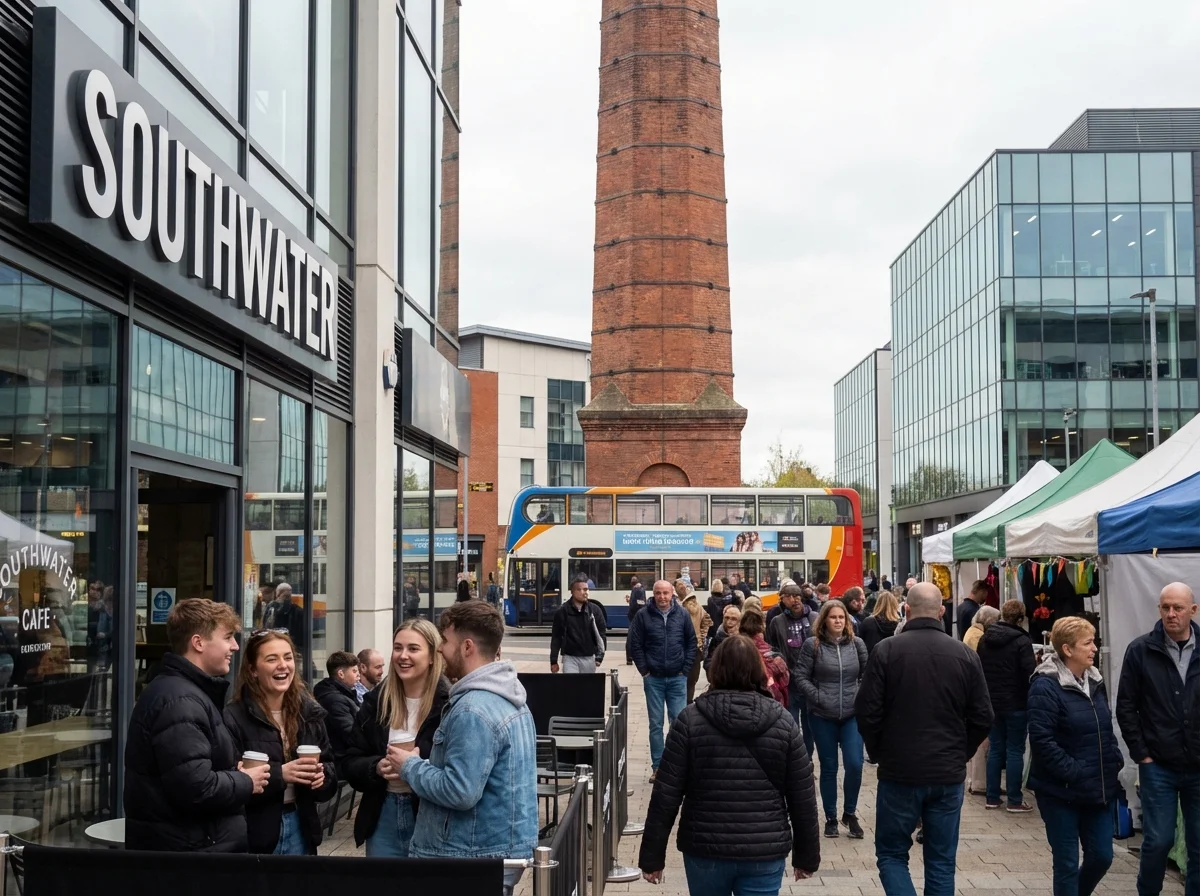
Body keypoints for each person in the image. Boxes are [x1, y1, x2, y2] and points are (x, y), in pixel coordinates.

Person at [638, 634, 821, 892]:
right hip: (763, 847)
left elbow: (666, 794)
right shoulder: (783, 721)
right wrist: (807, 857)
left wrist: (652, 857)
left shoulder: (690, 720)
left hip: (705, 847)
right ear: (759, 671)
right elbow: (802, 796)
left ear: (717, 669)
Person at [389, 601, 538, 895]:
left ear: (467, 646)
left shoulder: (473, 710)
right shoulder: (508, 696)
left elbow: (460, 791)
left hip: (468, 856)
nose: (441, 649)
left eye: (445, 641)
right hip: (491, 851)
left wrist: (409, 766)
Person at [855, 583, 994, 895]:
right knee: (941, 860)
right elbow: (983, 716)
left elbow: (866, 711)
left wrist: (879, 751)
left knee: (891, 854)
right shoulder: (964, 655)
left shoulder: (887, 651)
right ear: (942, 611)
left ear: (907, 609)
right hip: (946, 771)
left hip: (900, 770)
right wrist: (962, 751)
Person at [124, 599, 269, 851]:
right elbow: (196, 788)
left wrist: (232, 772)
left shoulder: (185, 693)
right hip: (189, 858)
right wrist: (245, 781)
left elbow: (191, 771)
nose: (235, 646)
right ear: (198, 643)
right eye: (228, 637)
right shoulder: (180, 701)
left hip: (192, 848)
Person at [1027, 616, 1122, 896]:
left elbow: (1104, 726)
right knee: (1067, 862)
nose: (1094, 648)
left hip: (1097, 788)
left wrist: (1113, 758)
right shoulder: (1045, 686)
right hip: (1061, 792)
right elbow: (1042, 741)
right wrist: (1075, 771)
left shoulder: (1094, 680)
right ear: (1067, 650)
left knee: (1102, 856)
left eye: (1094, 642)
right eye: (1088, 643)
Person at [340, 618, 450, 856]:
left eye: (413, 648)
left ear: (432, 655)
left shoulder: (449, 703)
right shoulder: (376, 701)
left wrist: (417, 768)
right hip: (383, 813)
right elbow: (349, 761)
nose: (403, 655)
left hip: (431, 815)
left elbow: (459, 771)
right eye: (398, 648)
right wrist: (376, 767)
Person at [1116, 581, 1200, 896]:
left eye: (1178, 608)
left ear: (1193, 610)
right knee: (1158, 840)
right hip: (1158, 764)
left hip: (1197, 763)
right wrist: (1142, 754)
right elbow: (1126, 705)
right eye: (1165, 607)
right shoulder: (1141, 649)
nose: (1170, 614)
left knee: (1199, 843)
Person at [224, 631, 337, 854]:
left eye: (288, 657)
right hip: (255, 834)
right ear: (253, 670)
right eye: (271, 659)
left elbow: (331, 769)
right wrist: (280, 775)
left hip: (301, 827)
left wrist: (322, 778)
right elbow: (228, 780)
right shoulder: (233, 716)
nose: (283, 665)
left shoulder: (309, 712)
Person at [795, 599, 868, 839]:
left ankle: (850, 813)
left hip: (851, 714)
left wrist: (859, 697)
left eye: (841, 617)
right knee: (829, 767)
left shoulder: (857, 644)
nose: (838, 621)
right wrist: (817, 696)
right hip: (822, 715)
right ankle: (831, 817)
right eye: (833, 617)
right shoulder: (812, 645)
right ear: (824, 620)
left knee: (855, 764)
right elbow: (801, 676)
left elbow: (867, 675)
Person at [628, 579, 696, 783]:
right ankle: (658, 767)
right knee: (655, 726)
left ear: (672, 593)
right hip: (654, 679)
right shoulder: (643, 616)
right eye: (658, 593)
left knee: (678, 724)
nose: (662, 597)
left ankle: (678, 767)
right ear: (653, 594)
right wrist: (644, 671)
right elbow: (635, 644)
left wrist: (685, 670)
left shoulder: (682, 614)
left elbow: (691, 642)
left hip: (677, 678)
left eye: (666, 593)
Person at [977, 600, 1035, 812]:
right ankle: (1014, 799)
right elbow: (1029, 671)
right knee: (1014, 750)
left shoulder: (985, 638)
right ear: (1020, 618)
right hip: (1016, 702)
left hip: (992, 701)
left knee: (996, 748)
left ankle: (992, 797)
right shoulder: (1022, 641)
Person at [767, 583, 817, 755]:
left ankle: (808, 758)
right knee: (791, 724)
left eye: (797, 596)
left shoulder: (814, 618)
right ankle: (795, 759)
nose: (794, 600)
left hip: (810, 681)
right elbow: (772, 646)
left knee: (810, 726)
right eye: (789, 596)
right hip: (789, 682)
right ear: (782, 600)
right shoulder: (777, 621)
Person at [550, 576, 607, 674]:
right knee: (571, 687)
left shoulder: (595, 610)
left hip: (589, 658)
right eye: (580, 590)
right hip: (570, 658)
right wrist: (553, 661)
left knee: (586, 688)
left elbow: (601, 634)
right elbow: (556, 637)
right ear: (572, 592)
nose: (584, 592)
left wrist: (599, 657)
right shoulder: (562, 611)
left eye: (586, 589)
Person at [313, 650, 362, 761]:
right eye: (354, 671)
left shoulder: (341, 696)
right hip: (342, 761)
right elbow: (351, 735)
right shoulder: (335, 701)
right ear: (341, 674)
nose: (358, 675)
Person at [739, 606, 789, 707]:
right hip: (768, 701)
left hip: (742, 699)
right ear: (762, 627)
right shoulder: (772, 655)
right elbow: (785, 679)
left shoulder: (734, 648)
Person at [677, 580, 712, 703]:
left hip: (687, 647)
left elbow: (707, 620)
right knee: (688, 680)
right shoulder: (690, 604)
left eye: (683, 586)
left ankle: (684, 706)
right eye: (680, 586)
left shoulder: (688, 605)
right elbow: (707, 620)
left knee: (688, 680)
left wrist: (701, 636)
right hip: (689, 647)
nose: (682, 588)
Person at [859, 591, 900, 655]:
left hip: (872, 658)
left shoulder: (868, 622)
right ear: (894, 604)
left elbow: (860, 643)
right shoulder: (899, 624)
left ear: (877, 603)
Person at [704, 604, 741, 671]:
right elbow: (708, 662)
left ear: (739, 621)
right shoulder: (717, 638)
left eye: (734, 619)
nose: (729, 622)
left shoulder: (745, 640)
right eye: (726, 618)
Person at [626, 576, 647, 665]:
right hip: (636, 616)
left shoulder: (638, 590)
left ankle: (630, 657)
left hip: (636, 616)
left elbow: (640, 603)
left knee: (632, 637)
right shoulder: (638, 589)